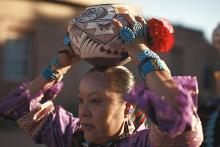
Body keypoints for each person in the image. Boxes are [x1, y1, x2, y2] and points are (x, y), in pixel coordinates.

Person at [0, 13, 203, 147]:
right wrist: (58, 66)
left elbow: (179, 119)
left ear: (128, 107)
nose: (83, 112)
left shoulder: (144, 143)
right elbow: (20, 109)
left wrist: (139, 51)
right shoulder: (72, 135)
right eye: (81, 100)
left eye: (96, 101)